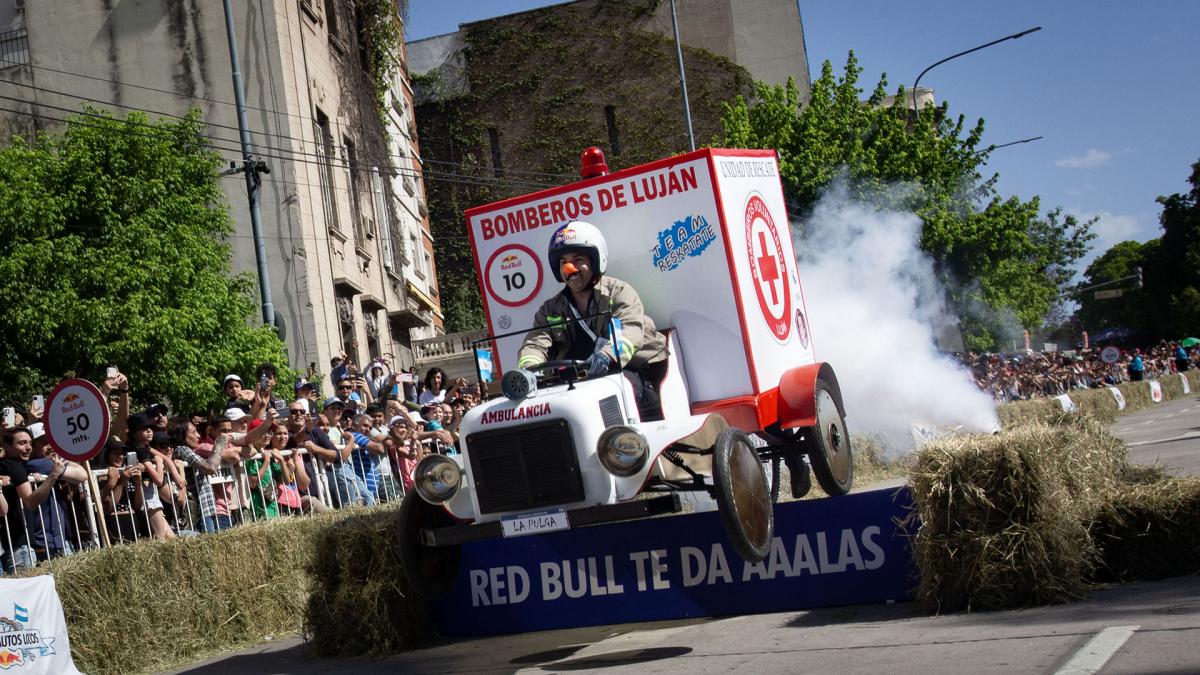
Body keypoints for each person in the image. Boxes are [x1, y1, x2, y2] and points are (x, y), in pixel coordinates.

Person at [517, 220, 669, 420]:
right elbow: (536, 343)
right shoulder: (550, 309)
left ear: (596, 260)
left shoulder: (619, 292)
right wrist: (529, 369)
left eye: (578, 259)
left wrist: (608, 355)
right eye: (564, 262)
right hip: (581, 382)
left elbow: (630, 331)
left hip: (631, 370)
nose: (570, 268)